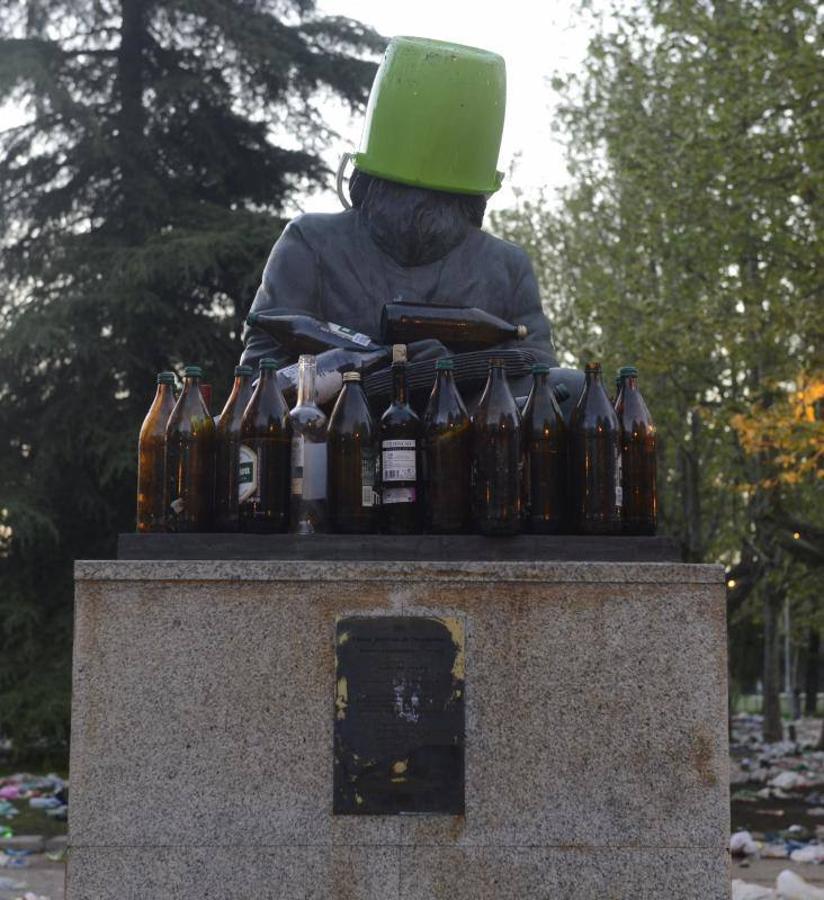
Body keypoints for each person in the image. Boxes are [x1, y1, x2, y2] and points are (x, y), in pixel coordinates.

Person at [241, 36, 580, 407]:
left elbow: (542, 383)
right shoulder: (311, 242)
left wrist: (458, 373)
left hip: (465, 443)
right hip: (337, 444)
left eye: (439, 198)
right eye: (405, 192)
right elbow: (259, 381)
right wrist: (376, 372)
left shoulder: (505, 266)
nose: (420, 207)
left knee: (575, 388)